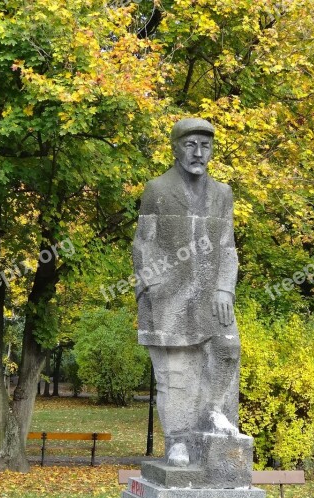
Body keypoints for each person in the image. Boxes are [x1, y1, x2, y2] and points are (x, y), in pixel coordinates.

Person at [133, 118, 240, 467]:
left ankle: (212, 412)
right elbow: (143, 244)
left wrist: (225, 288)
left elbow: (228, 247)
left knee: (227, 348)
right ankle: (177, 440)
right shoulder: (157, 190)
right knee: (175, 375)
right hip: (169, 297)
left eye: (205, 146)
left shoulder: (222, 194)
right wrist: (154, 285)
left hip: (211, 295)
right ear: (176, 147)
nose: (198, 153)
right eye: (191, 145)